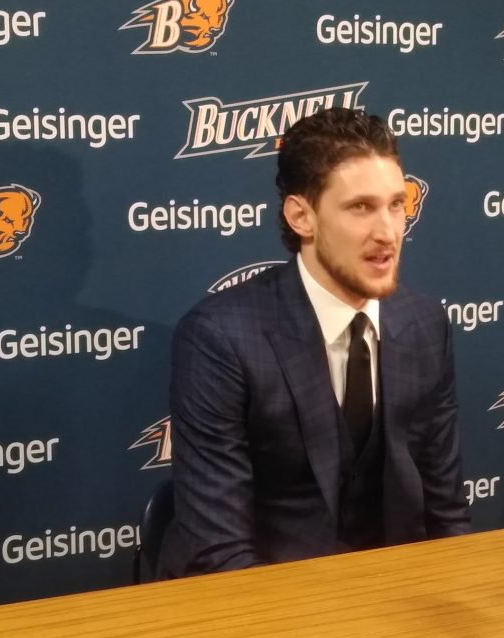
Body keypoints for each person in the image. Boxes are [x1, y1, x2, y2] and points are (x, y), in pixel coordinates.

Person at [159, 108, 470, 577]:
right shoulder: (220, 337)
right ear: (301, 216)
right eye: (360, 207)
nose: (387, 232)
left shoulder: (426, 324)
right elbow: (219, 551)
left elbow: (447, 512)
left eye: (396, 204)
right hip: (266, 596)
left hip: (396, 592)